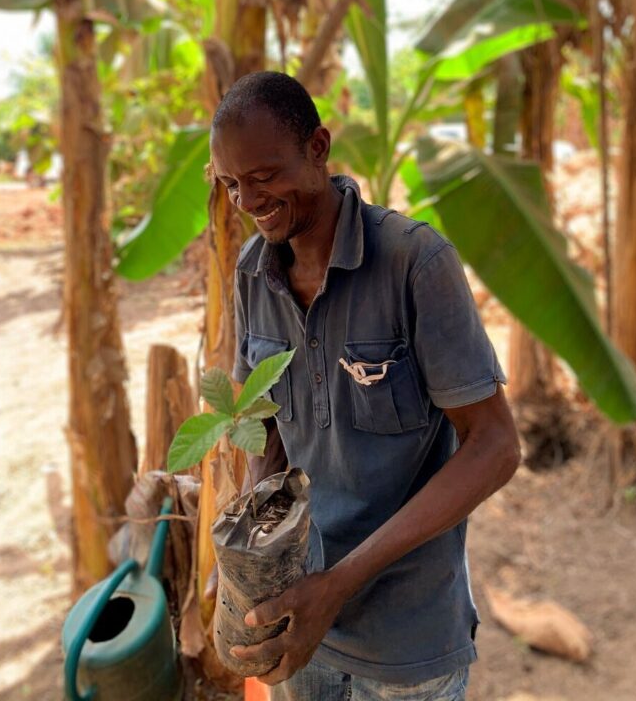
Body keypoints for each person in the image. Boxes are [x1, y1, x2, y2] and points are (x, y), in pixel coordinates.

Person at [207, 70, 521, 701]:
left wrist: (337, 585)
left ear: (318, 148)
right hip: (301, 629)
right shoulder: (252, 273)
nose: (247, 200)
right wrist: (251, 557)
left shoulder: (415, 263)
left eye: (263, 176)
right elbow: (267, 428)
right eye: (232, 184)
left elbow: (495, 447)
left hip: (408, 644)